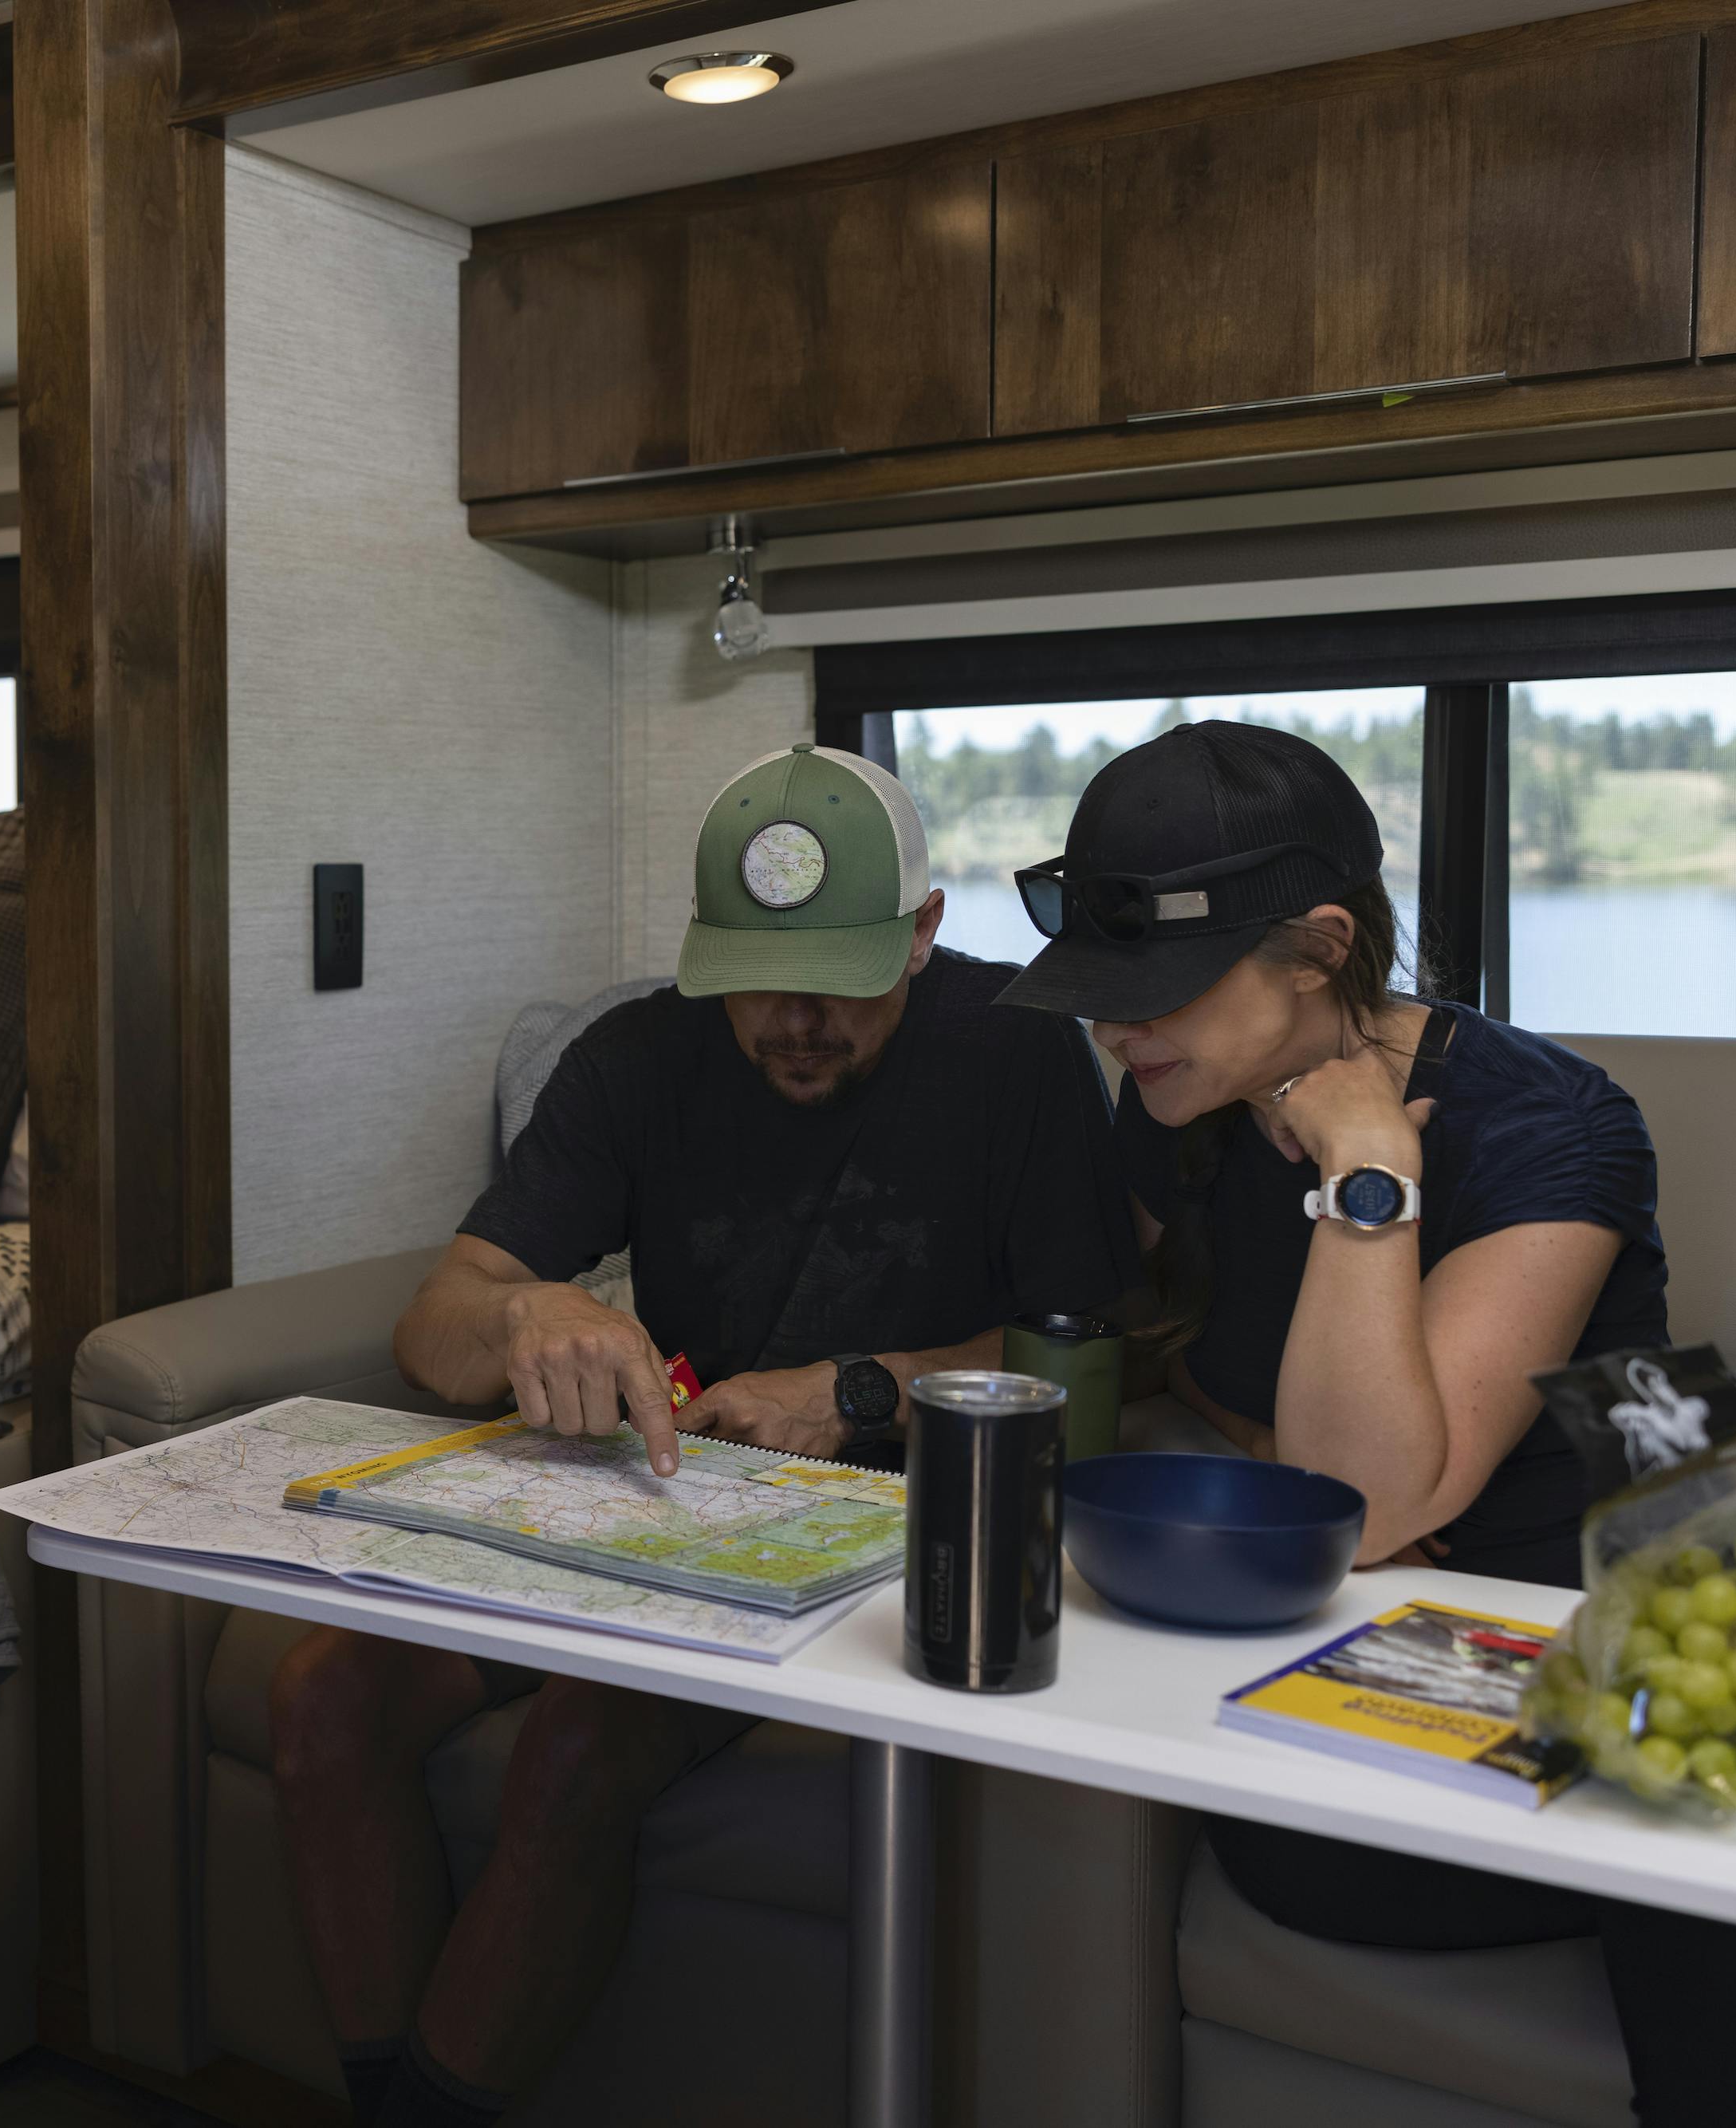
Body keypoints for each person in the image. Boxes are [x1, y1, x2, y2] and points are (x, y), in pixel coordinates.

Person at [994, 718, 1736, 2127]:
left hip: (1596, 1646)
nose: (1118, 1028)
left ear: (1319, 947)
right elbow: (1180, 1372)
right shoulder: (1178, 1103)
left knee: (1733, 1880)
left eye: (1159, 988)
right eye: (1104, 989)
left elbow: (1364, 1492)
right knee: (1259, 1834)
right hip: (1368, 1675)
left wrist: (1371, 1162)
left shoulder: (1551, 1126)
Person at [268, 743, 1139, 2128]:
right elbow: (434, 1328)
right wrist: (526, 1316)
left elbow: (1085, 1360)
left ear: (921, 935)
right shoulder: (638, 1055)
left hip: (895, 1516)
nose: (793, 1019)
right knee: (321, 1696)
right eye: (751, 976)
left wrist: (855, 1390)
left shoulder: (1018, 1049)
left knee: (575, 1745)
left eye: (841, 983)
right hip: (668, 1495)